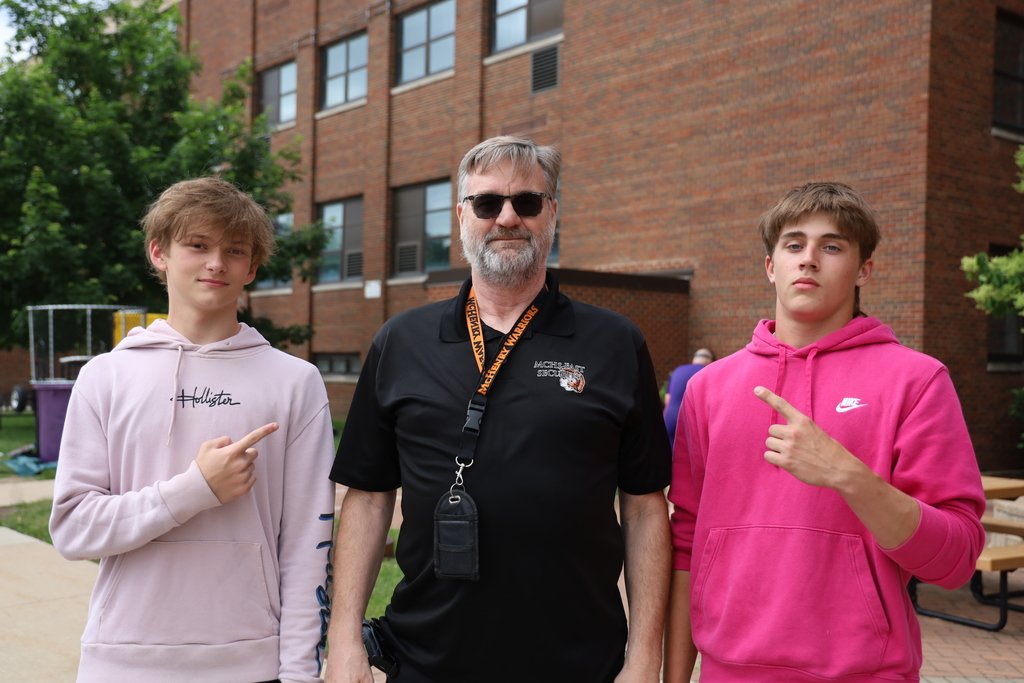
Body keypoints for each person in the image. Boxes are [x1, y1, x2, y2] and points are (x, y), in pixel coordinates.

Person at [327, 135, 671, 683]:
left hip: (581, 661)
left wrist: (643, 657)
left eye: (527, 202)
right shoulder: (402, 341)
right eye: (488, 203)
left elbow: (646, 508)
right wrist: (343, 642)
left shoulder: (614, 342)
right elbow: (368, 499)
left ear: (551, 212)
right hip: (429, 659)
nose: (508, 217)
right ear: (463, 216)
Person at [664, 182, 986, 682]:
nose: (809, 259)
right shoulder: (709, 389)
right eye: (794, 245)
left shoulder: (917, 382)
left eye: (831, 246)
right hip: (727, 671)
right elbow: (685, 542)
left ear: (864, 270)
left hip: (865, 672)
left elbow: (957, 560)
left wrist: (851, 478)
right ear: (771, 266)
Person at [49, 177, 337, 682]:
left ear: (252, 267)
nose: (216, 263)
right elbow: (73, 529)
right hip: (124, 660)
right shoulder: (106, 376)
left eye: (234, 250)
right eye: (197, 245)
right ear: (159, 252)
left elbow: (307, 543)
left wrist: (299, 674)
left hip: (250, 663)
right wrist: (192, 491)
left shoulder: (295, 382)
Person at [663, 348, 714, 444]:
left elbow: (667, 400)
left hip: (670, 418)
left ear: (694, 359)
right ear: (710, 361)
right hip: (692, 422)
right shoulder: (708, 371)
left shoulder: (677, 370)